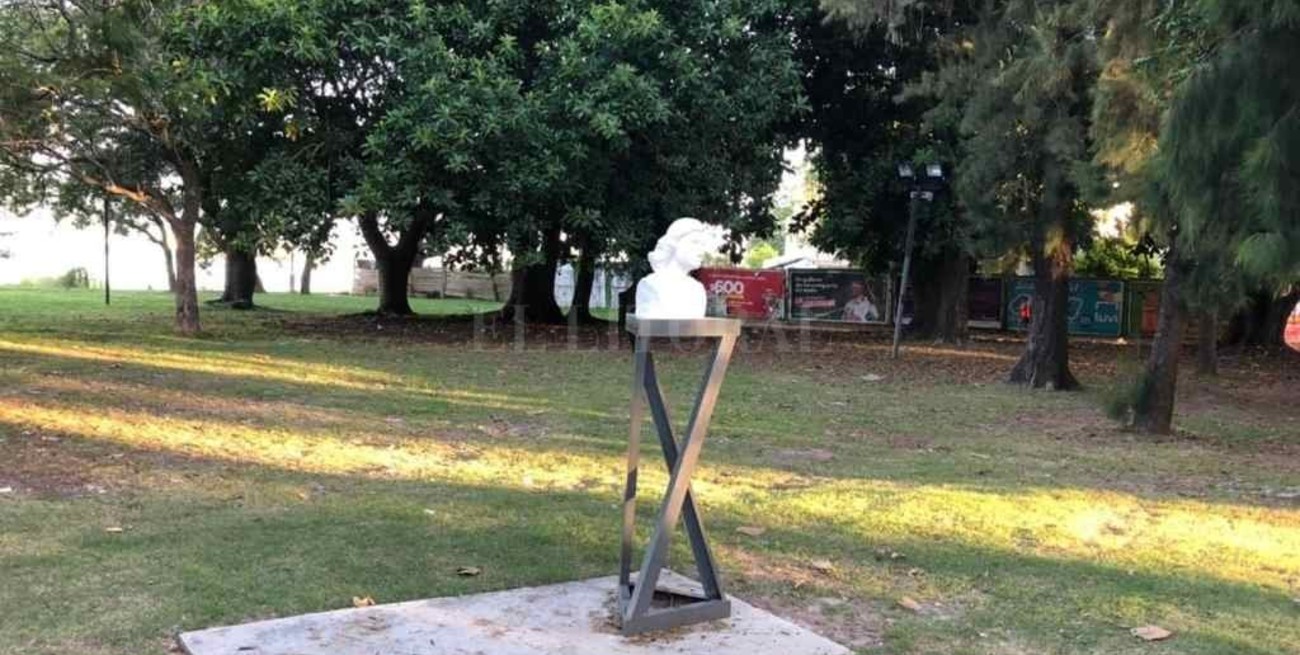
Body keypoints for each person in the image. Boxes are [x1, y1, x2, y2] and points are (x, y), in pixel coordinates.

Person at [635, 218, 725, 319]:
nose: (701, 250)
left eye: (703, 245)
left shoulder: (697, 289)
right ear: (674, 243)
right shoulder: (650, 285)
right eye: (695, 242)